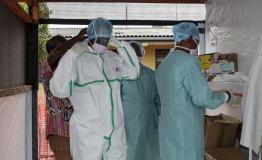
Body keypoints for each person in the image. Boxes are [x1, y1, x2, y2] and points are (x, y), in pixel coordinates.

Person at [50, 18, 140, 160]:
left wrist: (121, 46)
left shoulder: (113, 58)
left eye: (107, 39)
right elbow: (58, 90)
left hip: (116, 133)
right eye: (101, 39)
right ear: (91, 37)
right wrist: (72, 55)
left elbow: (134, 72)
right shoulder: (77, 58)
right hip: (89, 134)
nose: (104, 43)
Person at [155, 22, 231, 160]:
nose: (196, 46)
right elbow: (203, 99)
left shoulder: (164, 64)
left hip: (167, 128)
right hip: (185, 130)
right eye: (196, 42)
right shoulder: (189, 62)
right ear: (189, 39)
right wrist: (225, 96)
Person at [40, 29, 86, 160]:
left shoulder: (69, 72)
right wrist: (76, 38)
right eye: (64, 49)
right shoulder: (46, 69)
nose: (67, 52)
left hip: (75, 131)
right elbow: (55, 55)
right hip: (59, 132)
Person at [121, 41, 161, 160]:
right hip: (148, 118)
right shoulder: (151, 73)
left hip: (128, 118)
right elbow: (158, 102)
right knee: (149, 149)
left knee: (131, 150)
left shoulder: (120, 74)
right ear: (141, 54)